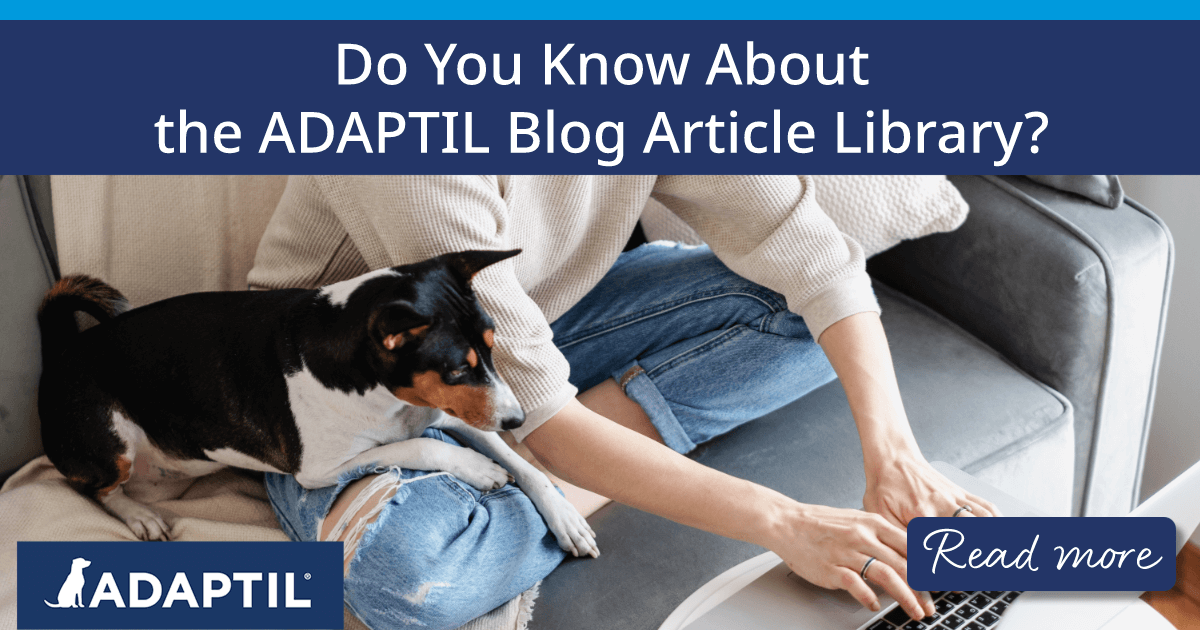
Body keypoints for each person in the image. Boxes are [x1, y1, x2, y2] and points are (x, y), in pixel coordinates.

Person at [248, 175, 999, 630]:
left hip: (537, 326)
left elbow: (809, 252)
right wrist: (787, 522)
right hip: (339, 393)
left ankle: (544, 473)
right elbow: (538, 404)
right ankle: (555, 471)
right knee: (405, 575)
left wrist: (897, 457)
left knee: (802, 317)